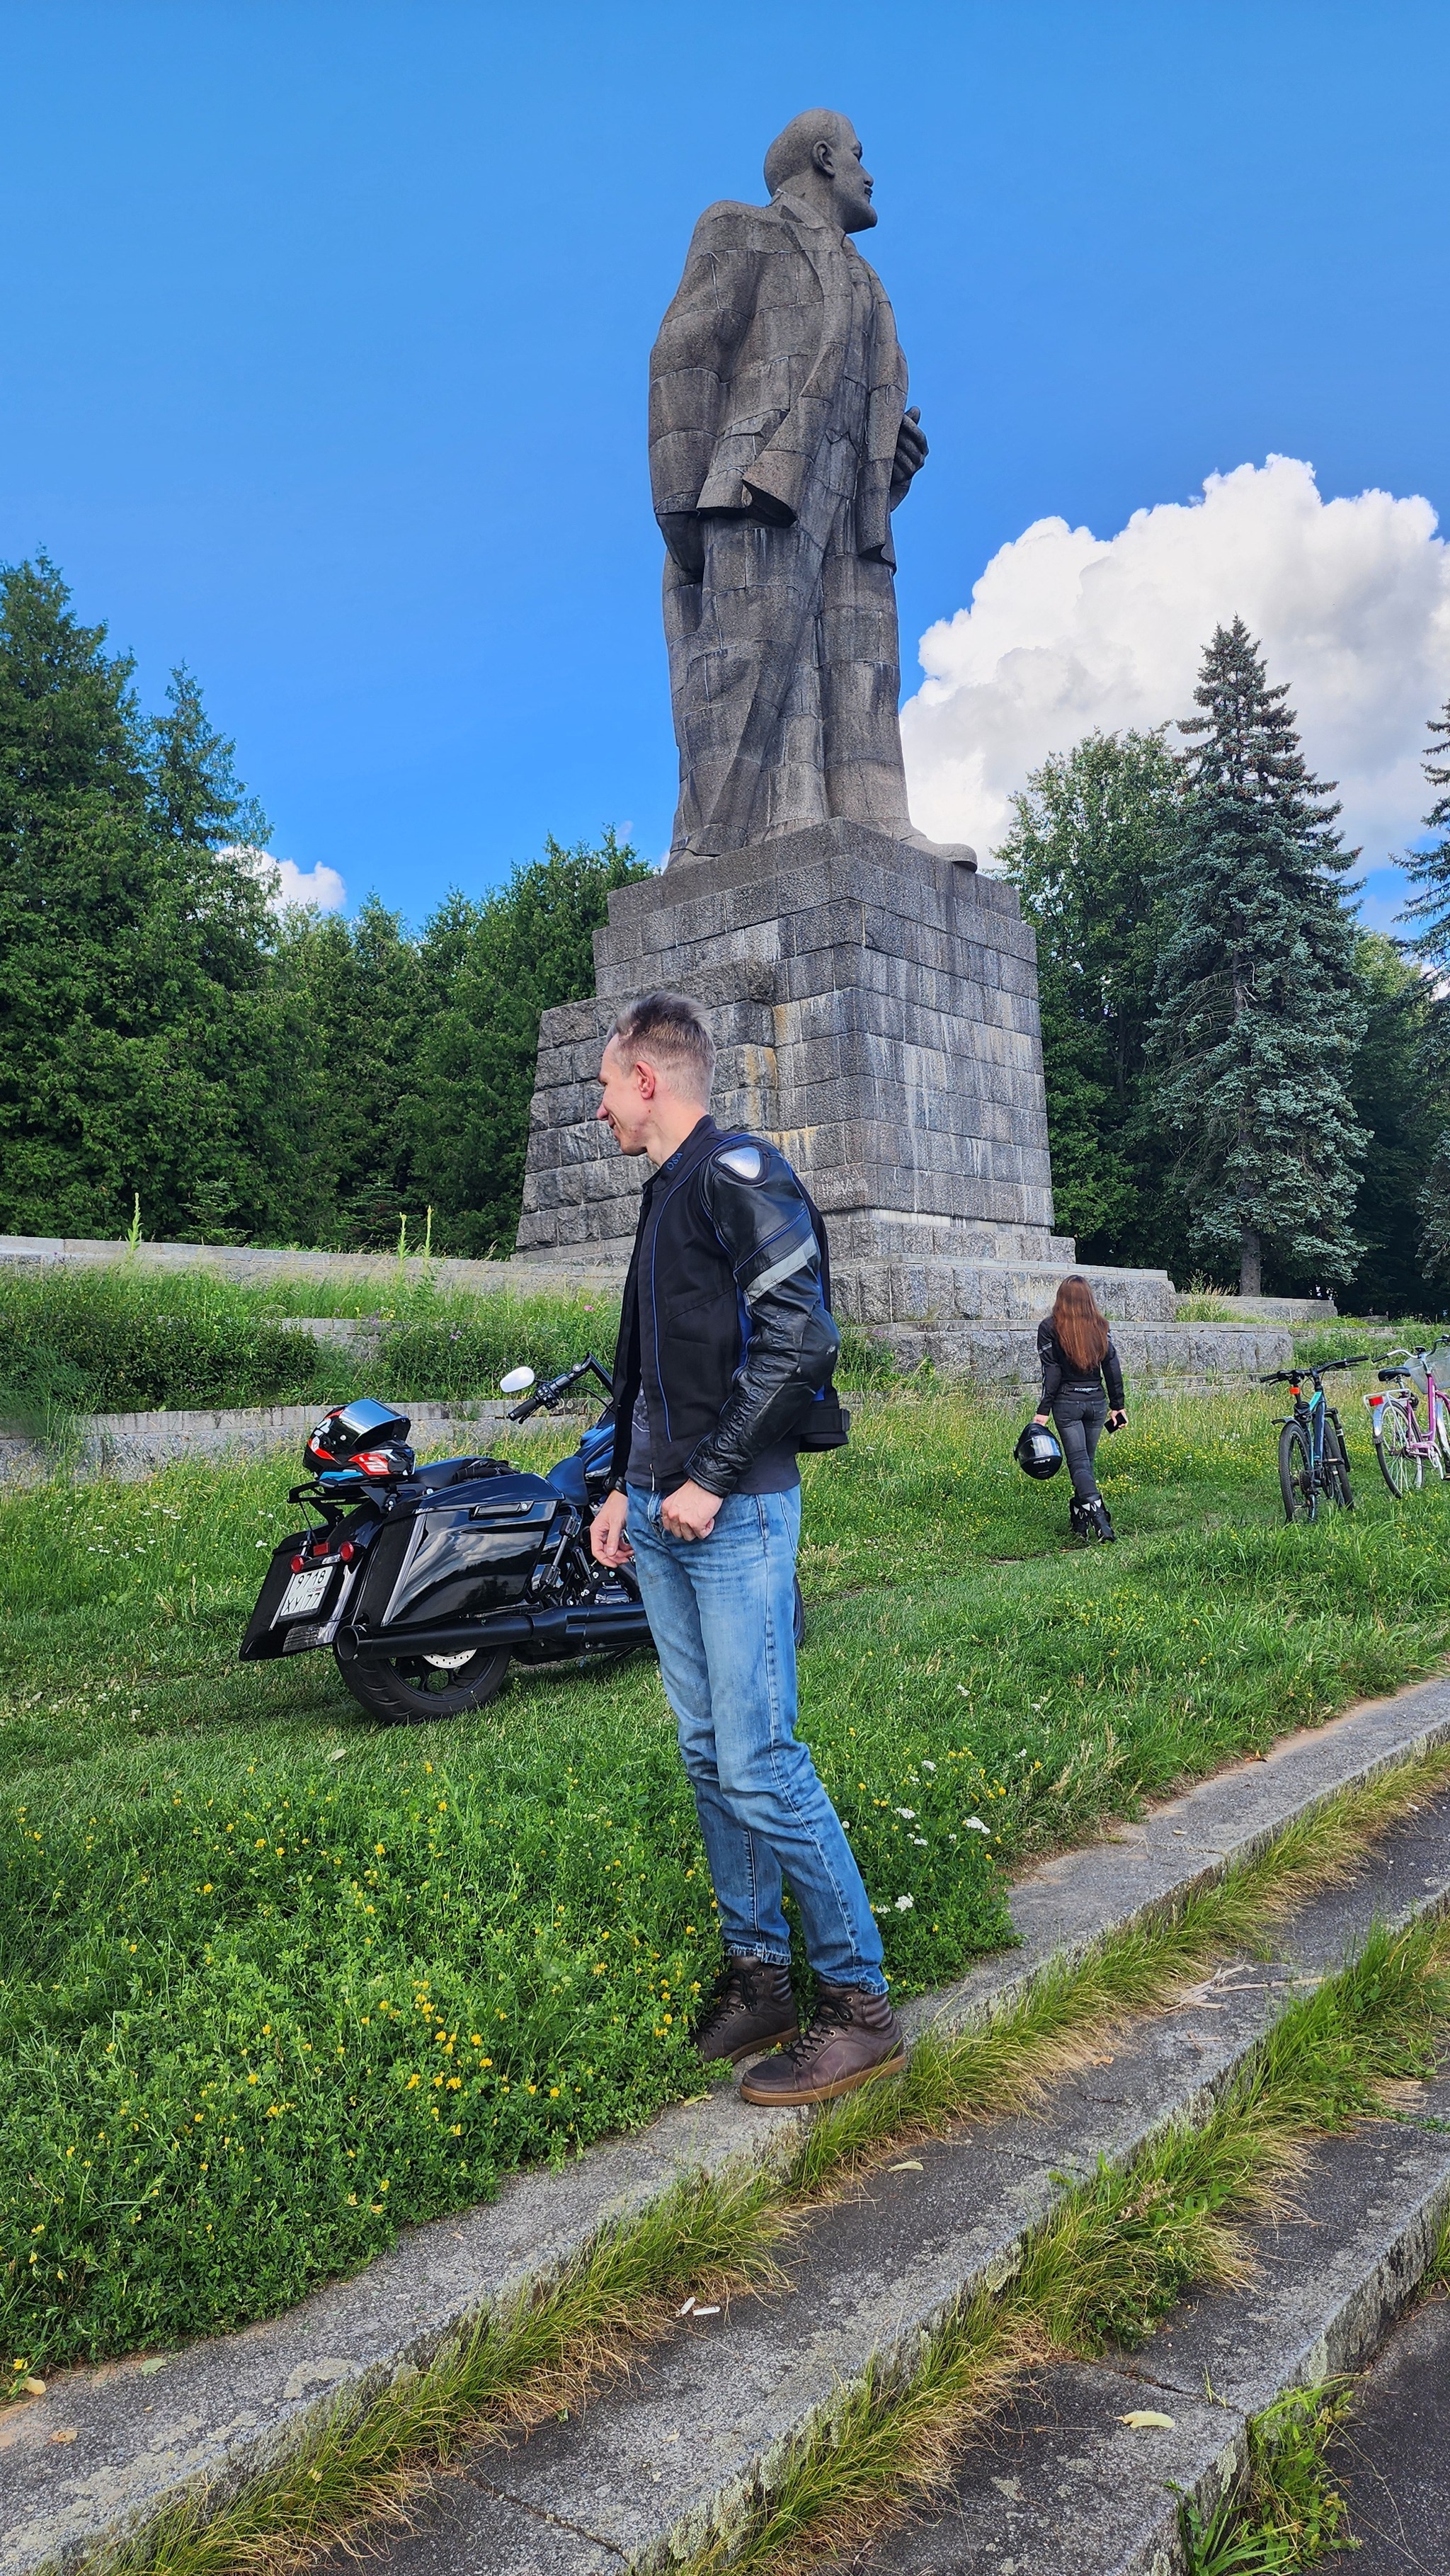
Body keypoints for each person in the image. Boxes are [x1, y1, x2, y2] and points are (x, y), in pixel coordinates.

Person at [589, 989, 907, 2106]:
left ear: (649, 1079)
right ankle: (762, 1976)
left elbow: (803, 1336)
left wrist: (710, 1478)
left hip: (733, 1513)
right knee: (706, 1753)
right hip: (667, 1515)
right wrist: (623, 1486)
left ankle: (859, 2006)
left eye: (605, 1085)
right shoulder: (667, 1192)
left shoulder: (741, 1175)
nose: (599, 1110)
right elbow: (654, 1368)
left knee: (762, 1762)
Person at [1032, 1277, 1126, 1544]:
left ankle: (1100, 1518)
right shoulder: (1100, 1326)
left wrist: (1043, 1410)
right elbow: (1112, 1368)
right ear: (1088, 1299)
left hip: (1068, 1404)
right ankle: (1078, 1513)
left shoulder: (1050, 1327)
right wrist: (1117, 1406)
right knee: (1085, 1464)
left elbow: (1051, 1372)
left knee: (1080, 1465)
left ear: (1061, 1298)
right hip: (1096, 1403)